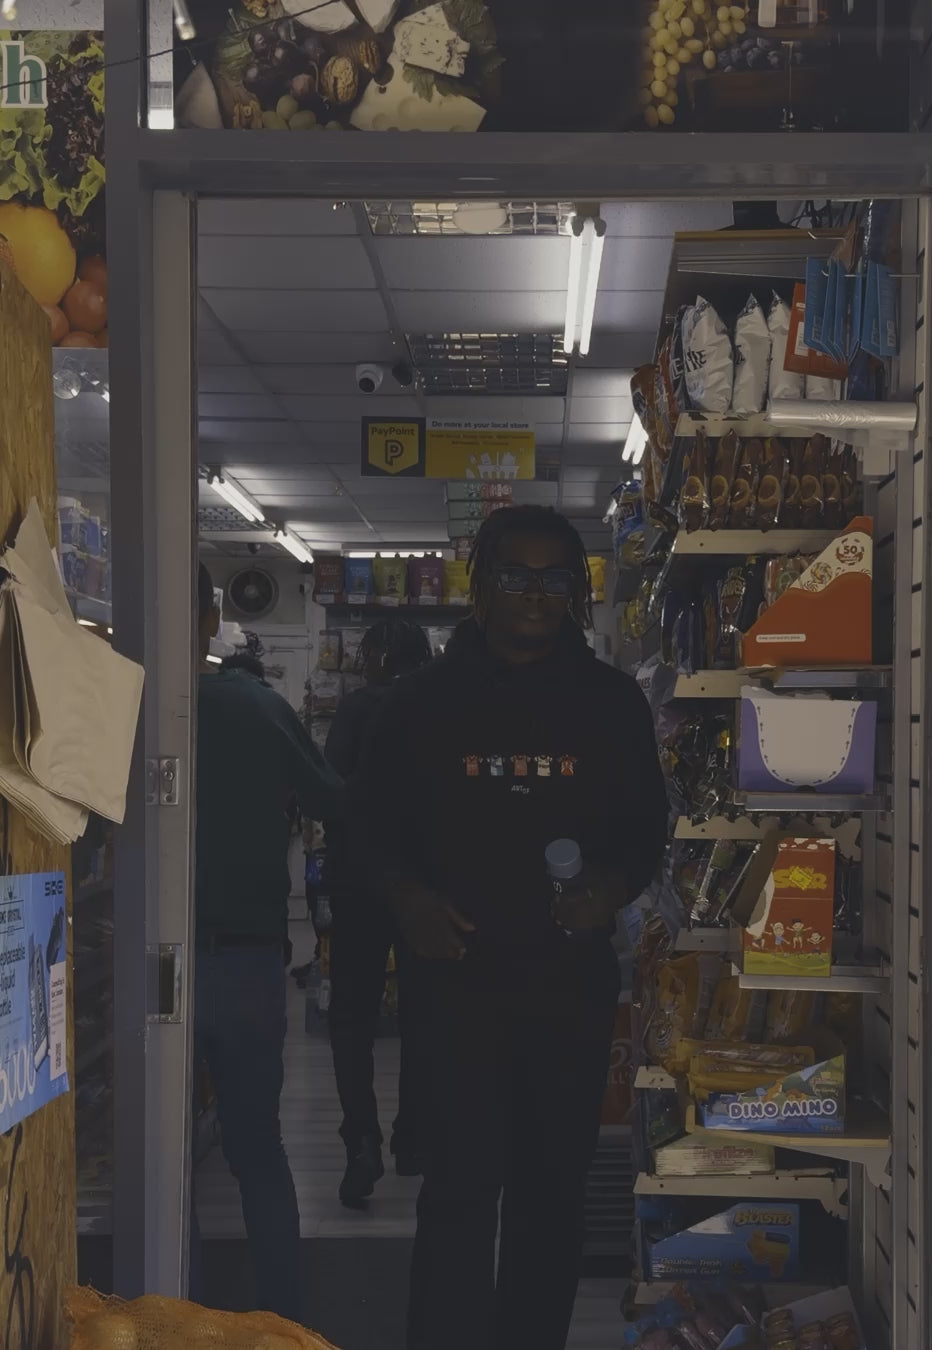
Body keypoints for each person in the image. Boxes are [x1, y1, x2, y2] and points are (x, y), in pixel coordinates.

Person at [353, 507, 669, 1350]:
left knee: (551, 1199)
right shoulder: (417, 704)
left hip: (568, 993)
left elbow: (647, 831)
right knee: (456, 1196)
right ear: (480, 585)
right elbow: (367, 831)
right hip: (453, 991)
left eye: (555, 578)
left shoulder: (611, 704)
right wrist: (408, 898)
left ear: (576, 592)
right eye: (515, 576)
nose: (536, 594)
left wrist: (611, 887)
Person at [192, 564, 343, 1322]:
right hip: (246, 959)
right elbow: (332, 801)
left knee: (154, 1150)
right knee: (257, 1149)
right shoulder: (257, 707)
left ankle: (163, 1303)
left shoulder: (124, 703)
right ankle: (282, 1316)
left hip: (143, 959)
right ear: (210, 616)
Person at [322, 618, 433, 1207]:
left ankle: (361, 1140)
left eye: (366, 653)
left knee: (352, 1018)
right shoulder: (441, 710)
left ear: (382, 656)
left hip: (359, 882)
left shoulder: (357, 709)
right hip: (427, 887)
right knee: (425, 1013)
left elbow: (330, 791)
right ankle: (414, 1136)